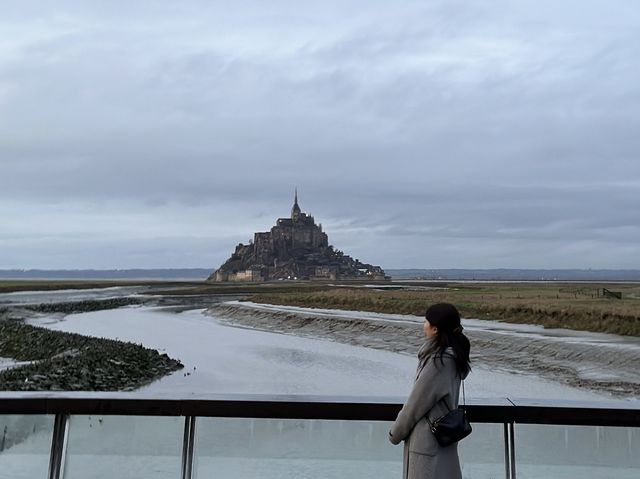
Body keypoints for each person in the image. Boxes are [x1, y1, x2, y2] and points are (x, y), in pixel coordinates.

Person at [388, 303, 471, 479]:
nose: (423, 324)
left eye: (426, 321)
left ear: (435, 329)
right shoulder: (452, 356)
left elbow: (416, 404)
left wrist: (395, 433)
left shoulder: (438, 361)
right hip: (441, 441)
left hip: (427, 445)